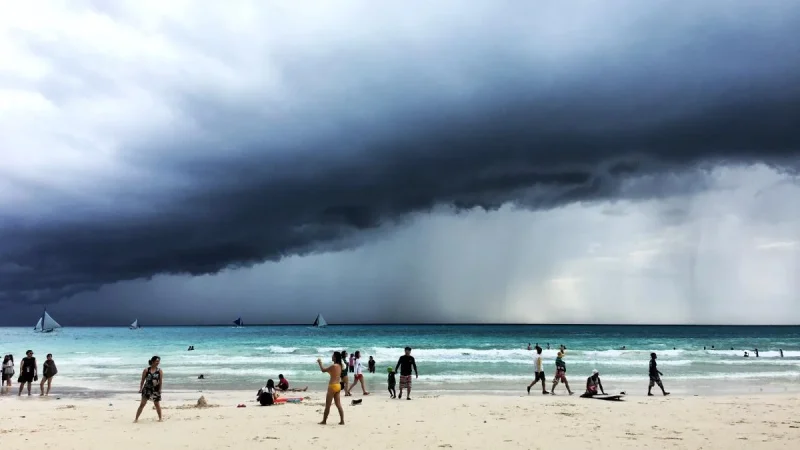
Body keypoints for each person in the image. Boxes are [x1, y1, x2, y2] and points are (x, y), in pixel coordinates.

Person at [317, 352, 344, 425]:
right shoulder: (340, 365)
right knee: (338, 404)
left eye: (333, 355)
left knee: (328, 405)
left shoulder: (333, 366)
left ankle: (324, 421)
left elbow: (323, 370)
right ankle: (342, 421)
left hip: (332, 386)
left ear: (335, 357)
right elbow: (334, 374)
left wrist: (320, 363)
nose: (331, 356)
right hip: (338, 385)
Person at [135, 356, 163, 422]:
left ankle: (160, 418)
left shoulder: (159, 371)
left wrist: (160, 389)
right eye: (156, 361)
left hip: (155, 389)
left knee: (157, 404)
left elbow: (160, 381)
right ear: (152, 361)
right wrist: (140, 388)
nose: (158, 363)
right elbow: (142, 380)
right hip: (146, 389)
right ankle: (136, 419)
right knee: (142, 404)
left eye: (158, 361)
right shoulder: (146, 370)